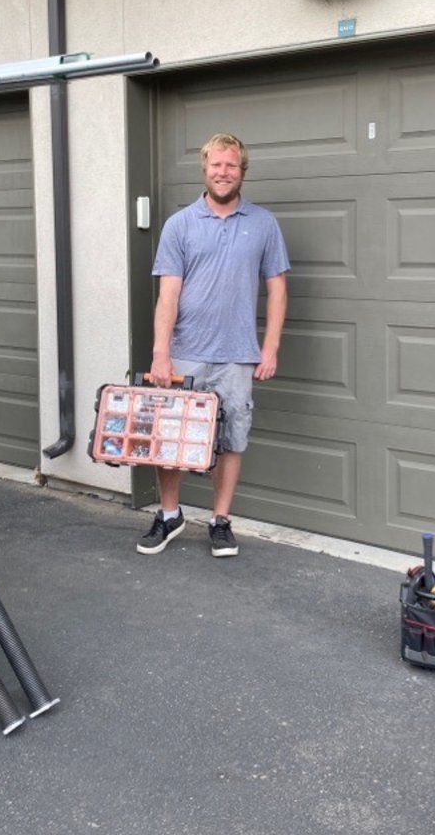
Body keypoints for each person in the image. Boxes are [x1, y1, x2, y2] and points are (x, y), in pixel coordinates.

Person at [137, 132, 290, 558]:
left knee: (233, 439)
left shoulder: (263, 224)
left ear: (243, 171)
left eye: (232, 166)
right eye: (216, 165)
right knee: (170, 438)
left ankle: (220, 521)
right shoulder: (179, 225)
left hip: (238, 355)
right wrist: (160, 353)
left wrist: (270, 347)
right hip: (185, 352)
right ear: (205, 169)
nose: (223, 173)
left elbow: (277, 290)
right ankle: (170, 515)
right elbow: (168, 295)